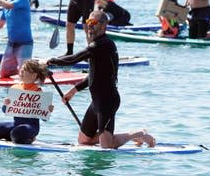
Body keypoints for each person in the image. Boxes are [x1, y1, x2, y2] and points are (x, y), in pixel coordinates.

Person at [46, 11, 156, 149]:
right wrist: (74, 90)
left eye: (93, 23)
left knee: (107, 146)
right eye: (88, 22)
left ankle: (137, 134)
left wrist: (50, 62)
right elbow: (93, 75)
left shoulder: (102, 45)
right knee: (83, 141)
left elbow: (73, 59)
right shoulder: (97, 46)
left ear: (104, 26)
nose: (89, 26)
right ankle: (124, 136)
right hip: (96, 102)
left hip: (108, 102)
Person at [0, 60, 53, 144]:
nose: (21, 72)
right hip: (15, 125)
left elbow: (44, 118)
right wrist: (5, 104)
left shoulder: (38, 92)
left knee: (18, 132)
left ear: (34, 75)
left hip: (31, 127)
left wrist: (48, 110)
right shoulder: (15, 88)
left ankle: (28, 137)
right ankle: (12, 136)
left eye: (24, 70)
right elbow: (5, 110)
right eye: (21, 69)